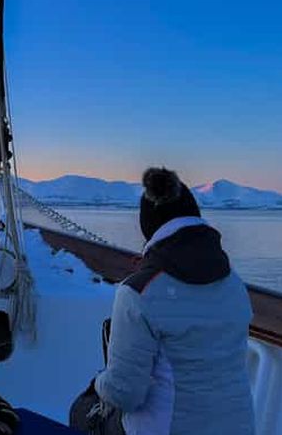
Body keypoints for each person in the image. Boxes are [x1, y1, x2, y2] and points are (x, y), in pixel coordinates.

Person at [93, 167, 255, 435]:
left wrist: (98, 383)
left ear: (149, 228)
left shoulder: (138, 292)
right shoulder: (233, 283)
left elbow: (125, 395)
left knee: (83, 411)